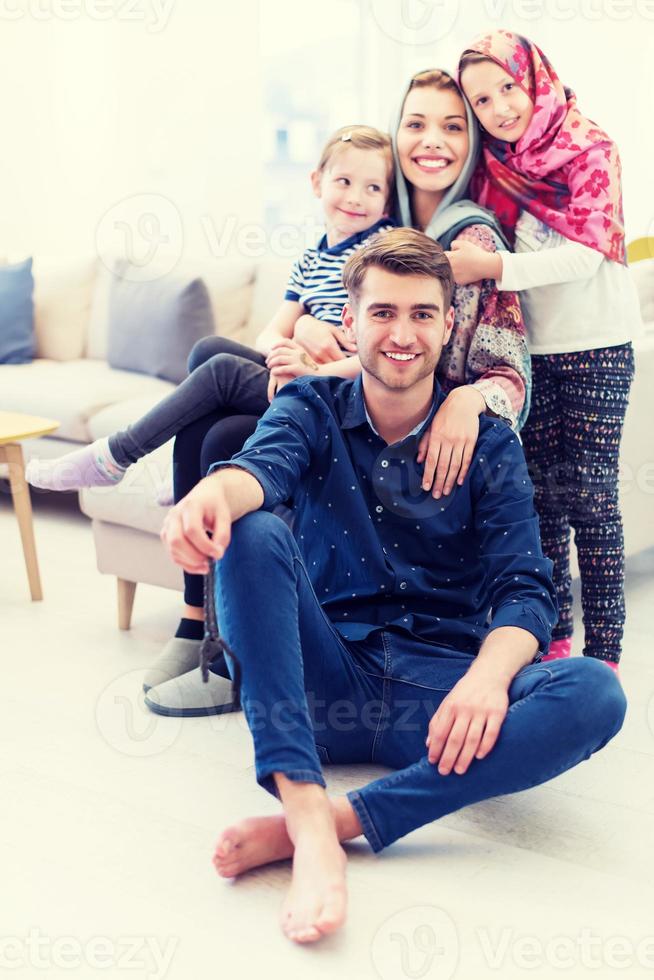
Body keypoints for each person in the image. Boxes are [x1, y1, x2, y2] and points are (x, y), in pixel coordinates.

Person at [160, 228, 626, 944]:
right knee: (250, 533)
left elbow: (526, 588)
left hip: (438, 706)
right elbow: (260, 470)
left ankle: (338, 822)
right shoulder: (311, 408)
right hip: (324, 686)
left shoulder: (490, 443)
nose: (401, 334)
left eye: (420, 314)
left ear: (447, 326)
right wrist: (213, 496)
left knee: (595, 691)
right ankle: (307, 809)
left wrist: (487, 680)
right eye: (382, 313)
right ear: (350, 322)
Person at [142, 69, 536, 717]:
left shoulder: (472, 239)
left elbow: (505, 372)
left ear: (473, 144)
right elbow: (341, 319)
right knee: (215, 433)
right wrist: (314, 343)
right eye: (415, 123)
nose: (431, 140)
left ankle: (227, 648)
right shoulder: (388, 228)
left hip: (415, 424)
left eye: (452, 125)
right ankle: (204, 631)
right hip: (337, 401)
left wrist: (466, 398)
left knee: (220, 407)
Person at [453, 30, 639, 671]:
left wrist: (491, 268)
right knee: (540, 502)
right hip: (531, 356)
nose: (501, 108)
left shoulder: (591, 148)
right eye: (481, 101)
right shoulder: (492, 167)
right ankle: (552, 640)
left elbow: (587, 255)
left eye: (508, 87)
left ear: (534, 77)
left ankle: (606, 653)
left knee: (591, 499)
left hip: (597, 347)